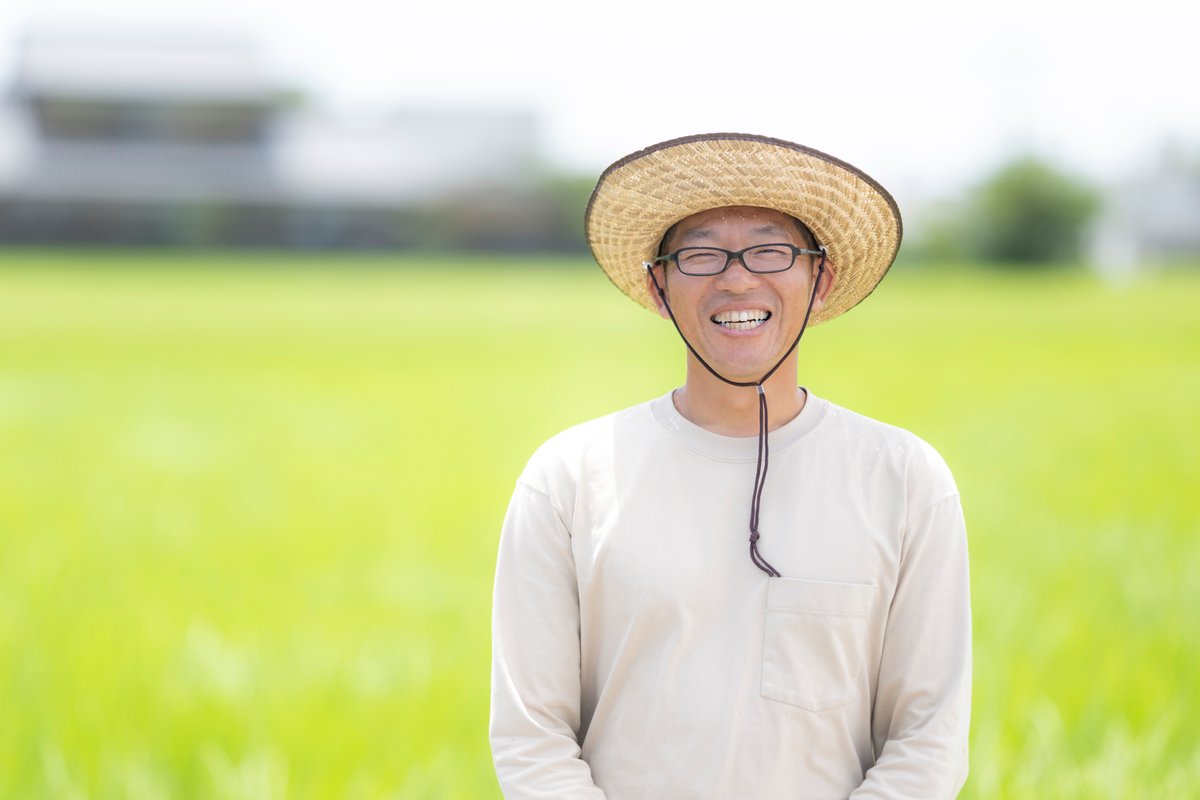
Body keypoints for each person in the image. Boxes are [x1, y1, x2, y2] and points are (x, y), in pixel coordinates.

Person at [490, 133, 971, 799]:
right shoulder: (569, 477)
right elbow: (532, 737)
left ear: (821, 282)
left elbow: (927, 741)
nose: (737, 278)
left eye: (771, 250)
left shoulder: (905, 479)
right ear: (659, 287)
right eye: (701, 253)